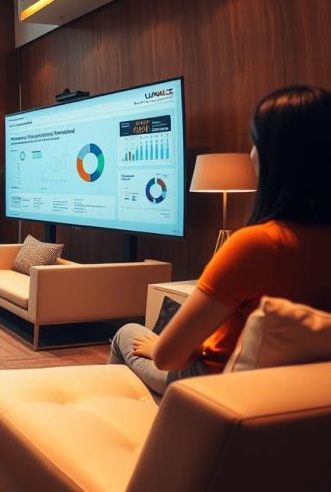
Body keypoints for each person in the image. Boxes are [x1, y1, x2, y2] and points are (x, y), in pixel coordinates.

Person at [109, 85, 331, 396]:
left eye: (255, 143)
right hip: (298, 395)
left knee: (127, 333)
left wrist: (165, 345)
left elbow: (168, 357)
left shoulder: (257, 246)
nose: (250, 153)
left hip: (216, 386)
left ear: (274, 157)